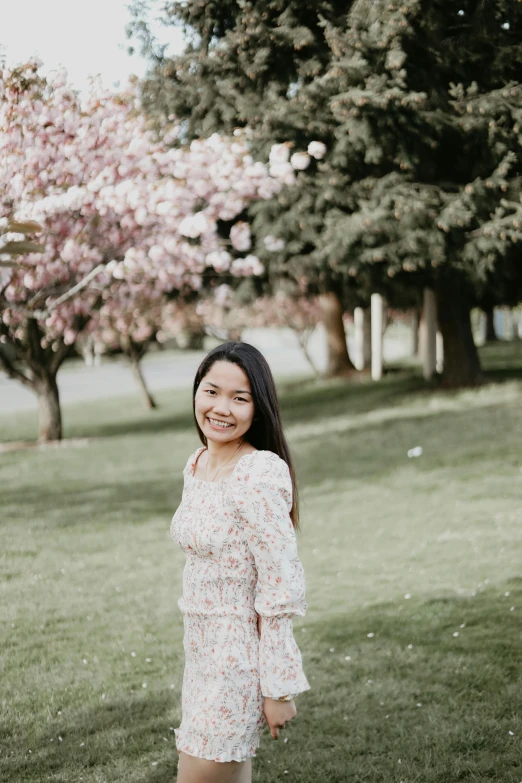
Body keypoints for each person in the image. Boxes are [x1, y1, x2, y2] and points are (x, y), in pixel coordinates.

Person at [170, 341, 311, 783]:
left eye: (239, 397)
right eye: (211, 391)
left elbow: (279, 583)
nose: (221, 408)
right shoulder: (197, 464)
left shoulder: (259, 473)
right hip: (199, 655)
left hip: (236, 662)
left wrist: (278, 687)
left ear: (258, 407)